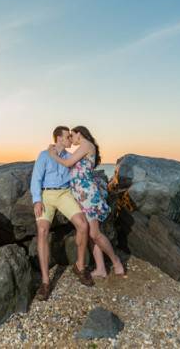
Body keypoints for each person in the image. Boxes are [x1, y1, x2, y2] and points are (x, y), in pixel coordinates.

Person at [48, 125, 125, 278]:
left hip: (88, 194)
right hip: (82, 195)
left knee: (95, 233)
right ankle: (101, 269)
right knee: (90, 233)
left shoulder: (86, 145)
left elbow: (68, 163)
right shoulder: (83, 147)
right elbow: (71, 159)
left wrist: (52, 154)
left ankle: (117, 263)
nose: (71, 138)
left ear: (79, 134)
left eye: (72, 135)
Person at [30, 125, 94, 300]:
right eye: (67, 137)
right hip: (47, 194)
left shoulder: (69, 157)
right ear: (58, 138)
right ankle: (45, 281)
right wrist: (37, 200)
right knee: (42, 230)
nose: (70, 140)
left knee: (83, 225)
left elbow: (83, 170)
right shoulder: (44, 155)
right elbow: (36, 179)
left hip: (65, 194)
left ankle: (80, 267)